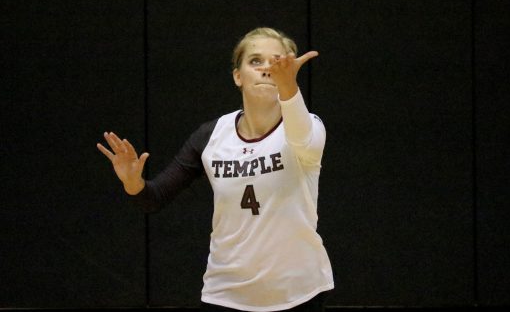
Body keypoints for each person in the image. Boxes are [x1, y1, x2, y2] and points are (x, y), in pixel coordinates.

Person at [97, 27, 334, 312]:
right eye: (255, 61)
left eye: (276, 61)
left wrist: (289, 88)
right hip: (225, 293)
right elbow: (153, 198)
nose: (266, 69)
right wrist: (132, 181)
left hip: (298, 293)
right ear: (238, 76)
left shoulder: (309, 127)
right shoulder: (211, 136)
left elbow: (299, 134)